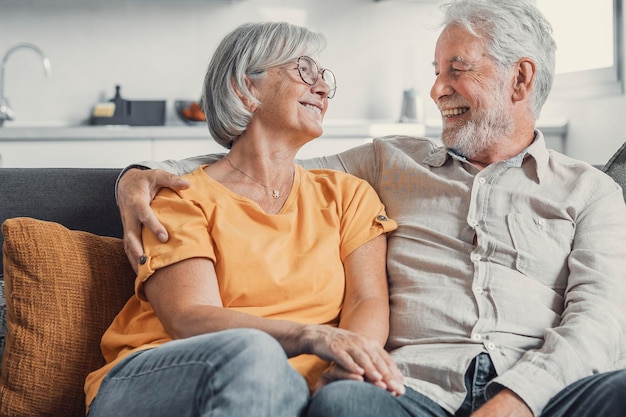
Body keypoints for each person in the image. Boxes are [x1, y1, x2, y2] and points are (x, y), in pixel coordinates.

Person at [117, 1, 626, 416]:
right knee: (343, 405)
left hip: (547, 392)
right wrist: (138, 173)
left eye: (458, 70)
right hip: (415, 389)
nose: (436, 89)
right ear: (245, 87)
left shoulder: (591, 193)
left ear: (520, 80)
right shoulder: (387, 162)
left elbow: (598, 322)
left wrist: (517, 400)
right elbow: (258, 162)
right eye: (435, 72)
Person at [86, 21, 405, 417]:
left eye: (324, 78)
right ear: (244, 88)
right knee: (255, 353)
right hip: (159, 377)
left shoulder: (347, 195)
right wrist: (314, 336)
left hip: (287, 389)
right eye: (303, 70)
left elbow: (367, 299)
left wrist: (350, 364)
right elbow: (187, 316)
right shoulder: (182, 196)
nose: (322, 87)